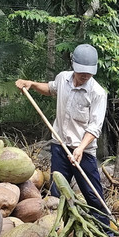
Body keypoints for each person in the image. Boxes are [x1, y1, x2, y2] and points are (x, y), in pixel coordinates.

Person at [15, 44, 109, 227]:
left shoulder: (97, 93)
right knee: (57, 192)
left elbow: (95, 127)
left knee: (92, 193)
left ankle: (106, 230)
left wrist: (80, 148)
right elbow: (50, 89)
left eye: (89, 73)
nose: (85, 76)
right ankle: (59, 228)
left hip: (83, 151)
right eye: (82, 72)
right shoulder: (63, 78)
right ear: (74, 65)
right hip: (59, 145)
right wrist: (32, 84)